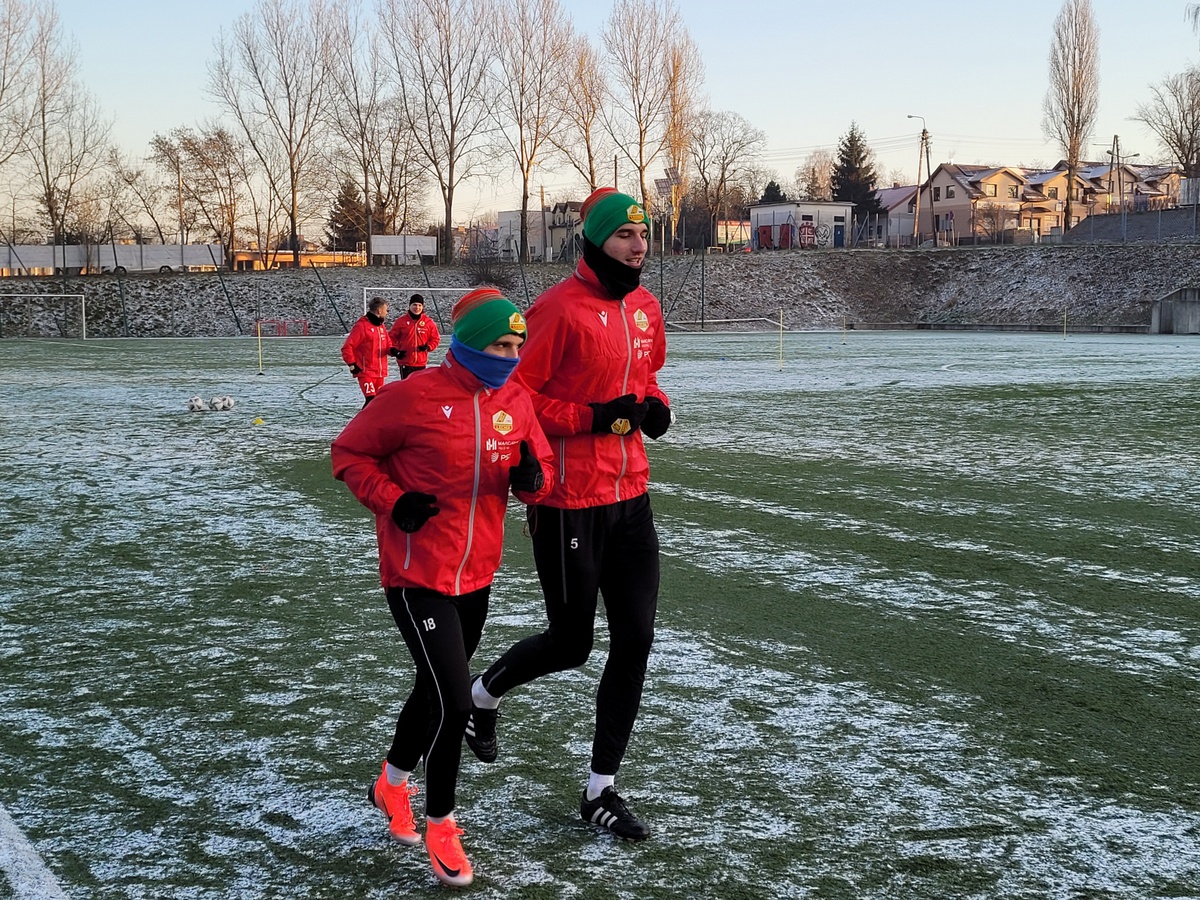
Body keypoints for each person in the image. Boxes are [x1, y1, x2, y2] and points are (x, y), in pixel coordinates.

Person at [464, 188, 673, 841]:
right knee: (571, 643)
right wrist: (592, 417)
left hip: (630, 495)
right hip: (567, 501)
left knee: (635, 640)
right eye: (624, 235)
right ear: (595, 239)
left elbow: (646, 378)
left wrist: (656, 406)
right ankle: (480, 696)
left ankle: (600, 789)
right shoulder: (557, 310)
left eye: (643, 234)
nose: (637, 246)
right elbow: (514, 396)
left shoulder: (646, 308)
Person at [331, 287, 554, 888]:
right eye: (499, 345)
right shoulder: (412, 396)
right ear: (471, 343)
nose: (510, 357)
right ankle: (442, 825)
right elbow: (349, 454)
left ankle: (390, 784)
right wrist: (394, 500)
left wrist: (533, 478)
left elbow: (541, 474)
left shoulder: (516, 400)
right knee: (456, 703)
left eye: (516, 346)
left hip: (477, 575)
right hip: (416, 576)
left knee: (433, 692)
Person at [341, 296, 392, 407]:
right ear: (379, 311)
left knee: (378, 402)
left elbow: (387, 344)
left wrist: (394, 351)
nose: (387, 313)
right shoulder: (362, 326)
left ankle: (375, 418)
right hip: (366, 371)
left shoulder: (381, 326)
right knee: (371, 400)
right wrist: (352, 364)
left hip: (380, 373)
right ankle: (362, 418)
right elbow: (347, 347)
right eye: (386, 310)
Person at [389, 294, 442, 380]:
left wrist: (428, 347)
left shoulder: (428, 322)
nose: (417, 307)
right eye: (414, 305)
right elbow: (391, 338)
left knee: (419, 387)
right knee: (407, 386)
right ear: (410, 306)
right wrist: (395, 351)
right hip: (405, 362)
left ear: (422, 307)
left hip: (421, 363)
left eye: (419, 305)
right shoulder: (401, 321)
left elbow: (435, 339)